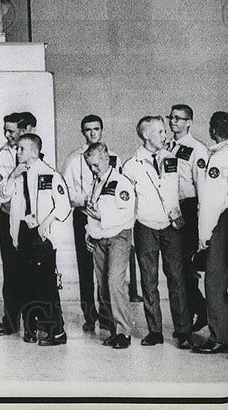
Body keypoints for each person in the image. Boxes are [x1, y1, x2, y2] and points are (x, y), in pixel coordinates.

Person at [121, 116, 193, 349]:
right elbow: (127, 202)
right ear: (146, 135)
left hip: (172, 226)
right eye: (160, 132)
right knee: (149, 280)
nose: (165, 135)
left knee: (177, 277)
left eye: (164, 131)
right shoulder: (131, 165)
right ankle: (155, 330)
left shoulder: (172, 159)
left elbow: (180, 190)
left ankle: (183, 330)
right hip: (145, 226)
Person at [0, 133, 71, 344]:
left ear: (34, 152)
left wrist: (46, 220)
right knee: (25, 282)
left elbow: (63, 205)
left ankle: (57, 331)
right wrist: (12, 174)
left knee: (45, 284)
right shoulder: (17, 175)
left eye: (21, 149)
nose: (17, 152)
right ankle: (31, 329)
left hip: (42, 236)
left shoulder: (50, 174)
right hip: (21, 234)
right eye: (17, 149)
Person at [191, 111, 228, 355]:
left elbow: (211, 202)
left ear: (213, 130)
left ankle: (219, 337)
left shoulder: (219, 159)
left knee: (214, 281)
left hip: (220, 223)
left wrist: (204, 236)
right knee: (225, 281)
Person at [62, 114, 118, 334]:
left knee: (106, 268)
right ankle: (89, 314)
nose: (93, 133)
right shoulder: (74, 160)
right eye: (88, 130)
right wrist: (86, 200)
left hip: (107, 217)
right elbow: (67, 191)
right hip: (83, 215)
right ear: (82, 132)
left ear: (102, 130)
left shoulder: (112, 157)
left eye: (96, 129)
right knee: (85, 267)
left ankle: (106, 316)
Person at [83, 142, 136, 349]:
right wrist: (90, 232)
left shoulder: (121, 182)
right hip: (99, 239)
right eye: (90, 166)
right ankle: (113, 330)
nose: (93, 169)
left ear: (106, 159)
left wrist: (102, 216)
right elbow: (91, 211)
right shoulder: (95, 183)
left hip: (118, 237)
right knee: (103, 286)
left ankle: (124, 332)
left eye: (96, 165)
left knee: (115, 283)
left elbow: (127, 212)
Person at [167, 103, 209, 331]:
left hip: (190, 210)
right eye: (171, 118)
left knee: (186, 267)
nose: (173, 122)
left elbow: (202, 189)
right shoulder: (168, 147)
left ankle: (201, 311)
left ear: (189, 122)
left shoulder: (197, 149)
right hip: (172, 210)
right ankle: (191, 314)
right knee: (176, 268)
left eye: (179, 118)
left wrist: (201, 222)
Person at [0, 112, 24, 336]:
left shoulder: (37, 150)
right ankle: (11, 320)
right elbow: (1, 193)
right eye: (5, 130)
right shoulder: (2, 155)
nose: (7, 134)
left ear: (23, 130)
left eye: (11, 130)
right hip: (7, 216)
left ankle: (36, 320)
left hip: (28, 220)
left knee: (33, 271)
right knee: (10, 271)